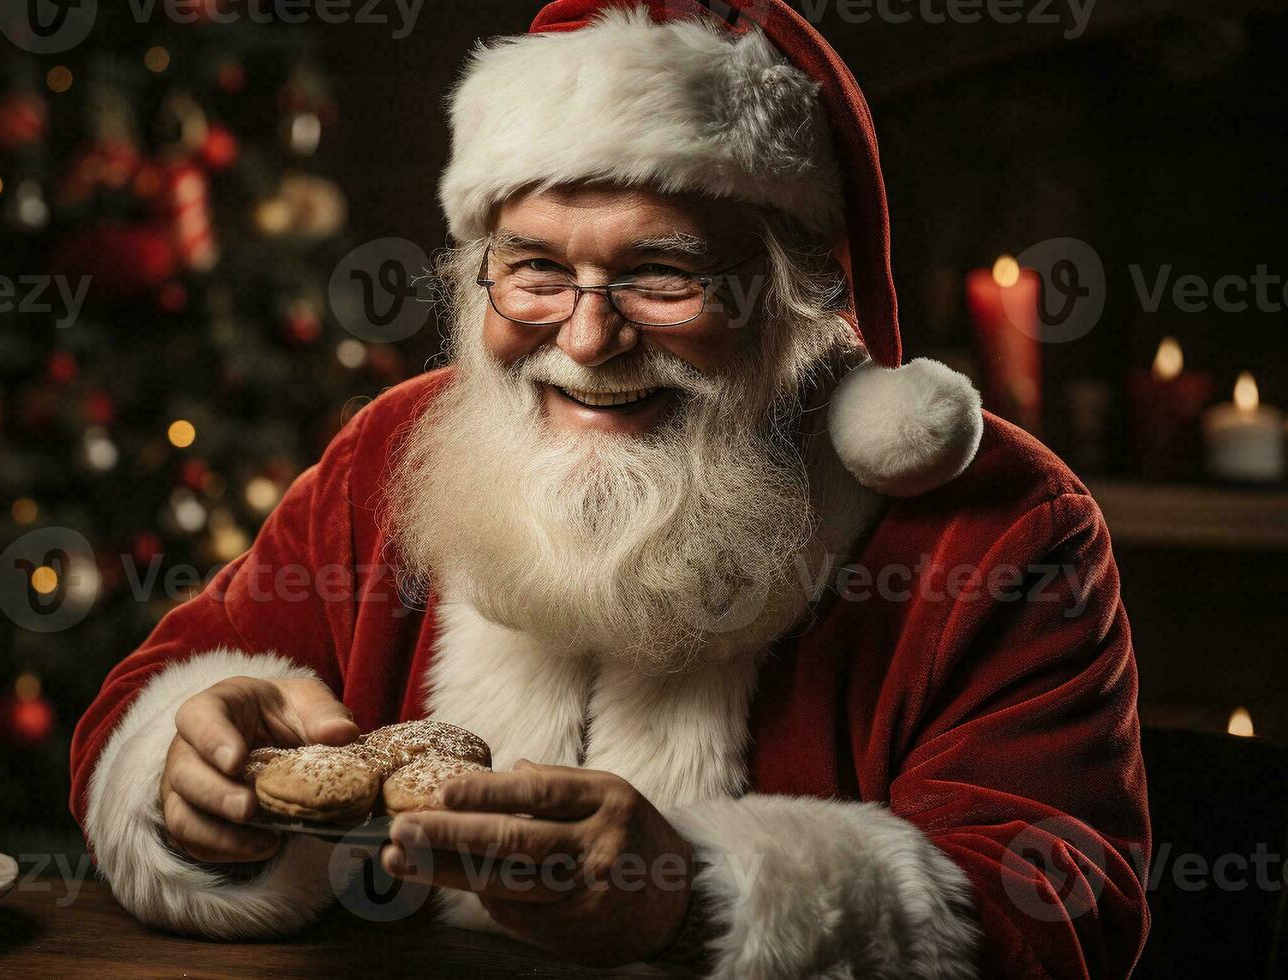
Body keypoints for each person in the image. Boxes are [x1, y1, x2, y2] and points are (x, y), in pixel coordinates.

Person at [70, 2, 1150, 975]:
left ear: (796, 295)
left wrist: (696, 900)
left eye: (663, 274)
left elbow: (1058, 900)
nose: (587, 340)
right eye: (535, 267)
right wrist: (185, 780)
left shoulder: (998, 524)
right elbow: (143, 699)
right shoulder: (392, 451)